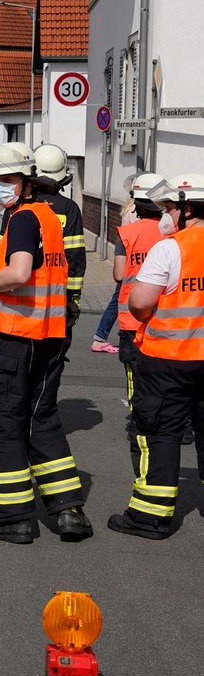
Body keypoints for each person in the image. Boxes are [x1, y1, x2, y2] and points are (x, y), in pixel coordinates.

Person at [0, 142, 91, 544]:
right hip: (49, 338)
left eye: (5, 180)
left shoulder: (20, 219)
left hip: (11, 340)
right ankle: (68, 511)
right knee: (43, 419)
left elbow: (19, 273)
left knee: (3, 424)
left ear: (26, 181)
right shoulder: (50, 218)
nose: (0, 188)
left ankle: (13, 519)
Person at [108, 171, 204, 539]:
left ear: (186, 207)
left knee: (161, 432)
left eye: (169, 207)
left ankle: (150, 516)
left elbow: (140, 301)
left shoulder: (170, 248)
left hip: (169, 359)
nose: (166, 214)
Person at [112, 173, 170, 423]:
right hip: (165, 318)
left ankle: (142, 418)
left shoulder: (126, 233)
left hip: (132, 319)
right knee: (166, 374)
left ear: (135, 204)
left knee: (136, 373)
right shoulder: (172, 234)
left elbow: (117, 274)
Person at [31, 143, 86, 347]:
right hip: (56, 298)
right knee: (51, 362)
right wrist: (72, 298)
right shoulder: (69, 208)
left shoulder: (20, 205)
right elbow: (75, 257)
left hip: (21, 300)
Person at [91, 194, 138, 353]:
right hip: (132, 263)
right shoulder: (134, 209)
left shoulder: (127, 208)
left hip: (126, 261)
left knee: (117, 300)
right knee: (117, 301)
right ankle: (100, 337)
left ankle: (100, 337)